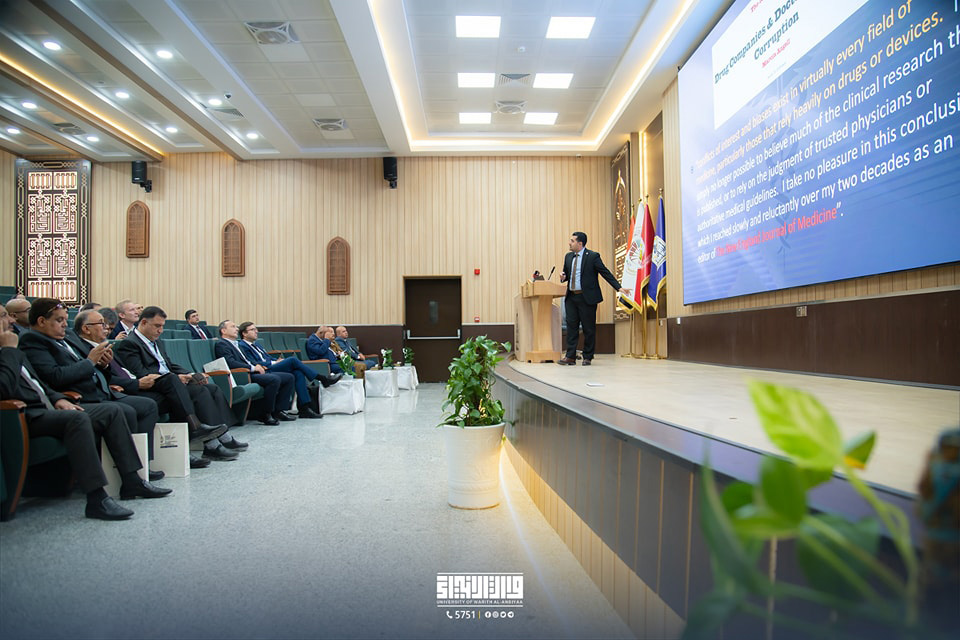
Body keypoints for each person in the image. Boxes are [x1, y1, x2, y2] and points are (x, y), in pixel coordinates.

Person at [0, 305, 171, 520]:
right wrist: (9, 351)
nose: (11, 321)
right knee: (78, 419)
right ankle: (97, 498)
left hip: (49, 405)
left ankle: (132, 481)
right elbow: (5, 388)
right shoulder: (19, 345)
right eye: (4, 316)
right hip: (23, 414)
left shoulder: (15, 345)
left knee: (111, 411)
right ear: (42, 321)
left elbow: (38, 383)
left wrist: (57, 398)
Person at [18, 299, 164, 480]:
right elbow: (56, 376)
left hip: (100, 390)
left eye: (65, 319)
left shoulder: (65, 338)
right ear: (41, 321)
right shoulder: (33, 341)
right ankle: (130, 477)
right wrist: (91, 361)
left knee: (147, 405)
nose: (65, 324)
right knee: (121, 410)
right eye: (59, 320)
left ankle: (141, 467)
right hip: (80, 396)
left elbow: (88, 367)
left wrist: (103, 364)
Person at [74, 309, 226, 469]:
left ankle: (211, 441)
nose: (106, 328)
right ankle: (188, 436)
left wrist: (188, 374)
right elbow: (130, 374)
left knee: (201, 388)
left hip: (148, 384)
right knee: (173, 386)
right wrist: (139, 382)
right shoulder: (123, 345)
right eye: (101, 324)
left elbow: (166, 365)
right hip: (136, 388)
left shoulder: (109, 347)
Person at [114, 306, 242, 461]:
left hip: (170, 383)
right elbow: (142, 373)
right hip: (155, 388)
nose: (160, 330)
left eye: (162, 326)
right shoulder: (130, 343)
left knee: (211, 388)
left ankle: (223, 435)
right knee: (198, 391)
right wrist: (174, 377)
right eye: (157, 326)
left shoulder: (157, 341)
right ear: (144, 322)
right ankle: (207, 440)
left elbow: (169, 364)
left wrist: (190, 374)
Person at [238, 322, 334, 417]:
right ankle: (322, 378)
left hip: (271, 365)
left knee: (298, 373)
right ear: (244, 333)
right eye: (252, 330)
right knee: (292, 360)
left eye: (256, 329)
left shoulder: (257, 344)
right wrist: (274, 363)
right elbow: (252, 362)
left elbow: (267, 357)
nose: (256, 331)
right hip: (264, 369)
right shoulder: (242, 345)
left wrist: (276, 360)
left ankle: (304, 408)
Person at [558, 231, 623, 366]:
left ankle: (588, 356)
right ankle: (570, 356)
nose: (569, 243)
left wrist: (619, 287)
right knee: (571, 328)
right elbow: (566, 274)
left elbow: (605, 272)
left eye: (572, 241)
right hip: (571, 297)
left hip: (586, 298)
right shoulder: (568, 257)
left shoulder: (593, 256)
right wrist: (563, 277)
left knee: (588, 328)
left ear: (580, 243)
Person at [214, 320, 295, 424]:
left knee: (289, 377)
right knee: (274, 379)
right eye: (233, 327)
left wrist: (257, 365)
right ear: (223, 331)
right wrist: (252, 368)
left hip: (251, 371)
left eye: (236, 327)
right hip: (243, 375)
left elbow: (247, 360)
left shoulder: (236, 344)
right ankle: (266, 414)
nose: (237, 329)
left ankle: (279, 410)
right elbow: (231, 363)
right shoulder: (222, 344)